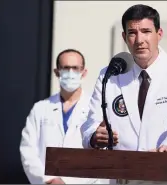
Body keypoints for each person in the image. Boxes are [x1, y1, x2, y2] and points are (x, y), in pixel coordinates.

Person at [81, 4, 167, 184]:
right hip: (124, 177)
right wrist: (93, 136)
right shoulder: (110, 75)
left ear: (159, 34)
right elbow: (92, 121)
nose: (139, 40)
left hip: (166, 177)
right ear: (124, 37)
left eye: (146, 31)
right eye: (132, 33)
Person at [20, 49, 108, 184]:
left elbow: (103, 155)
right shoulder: (41, 108)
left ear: (84, 72)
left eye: (75, 68)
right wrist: (48, 180)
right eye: (66, 68)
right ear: (57, 72)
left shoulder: (96, 108)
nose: (71, 73)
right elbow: (28, 150)